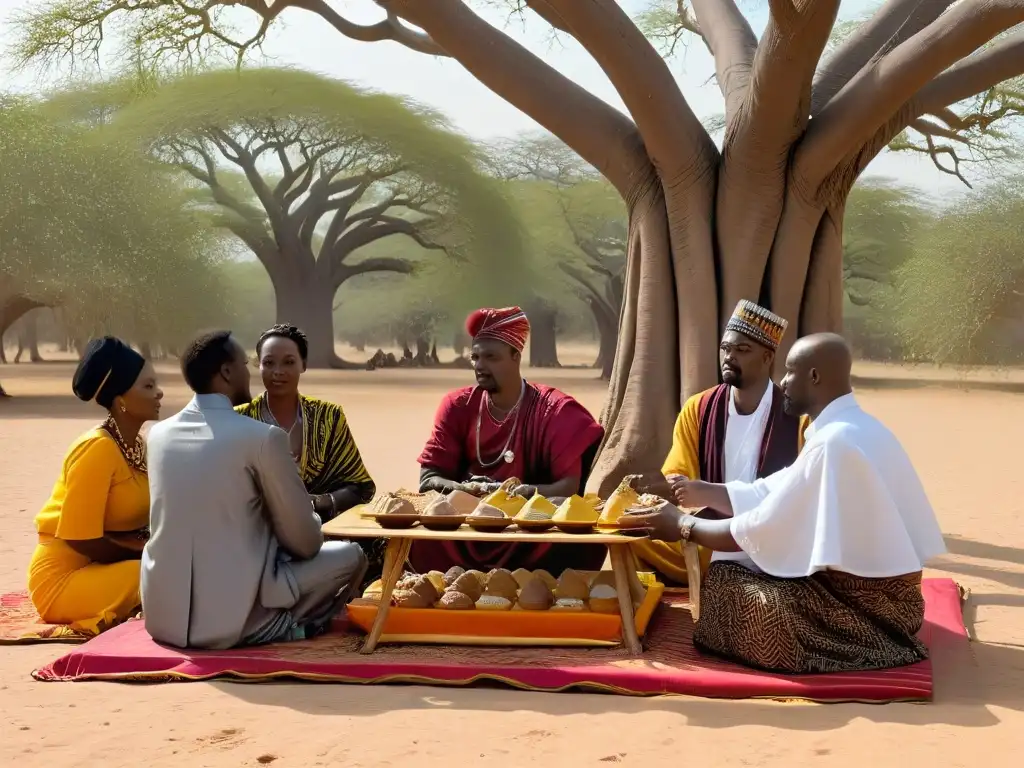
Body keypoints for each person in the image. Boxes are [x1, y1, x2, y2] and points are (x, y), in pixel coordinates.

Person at [621, 333, 946, 674]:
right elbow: (778, 487)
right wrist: (705, 491)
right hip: (900, 603)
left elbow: (766, 526)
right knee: (732, 572)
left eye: (791, 372)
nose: (784, 381)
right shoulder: (854, 426)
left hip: (869, 609)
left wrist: (683, 525)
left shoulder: (831, 441)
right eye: (726, 349)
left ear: (815, 377)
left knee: (726, 586)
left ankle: (865, 643)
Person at [142, 331, 367, 650]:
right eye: (247, 363)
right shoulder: (264, 438)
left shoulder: (157, 436)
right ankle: (279, 625)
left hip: (164, 617)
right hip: (235, 621)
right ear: (227, 372)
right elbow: (305, 543)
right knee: (351, 555)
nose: (252, 373)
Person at [412, 306, 606, 573]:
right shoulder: (457, 405)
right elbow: (428, 479)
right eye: (475, 357)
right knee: (417, 536)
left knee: (579, 538)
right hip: (468, 527)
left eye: (491, 357)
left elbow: (569, 486)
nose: (480, 366)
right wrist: (468, 489)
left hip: (529, 529)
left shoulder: (555, 410)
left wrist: (517, 492)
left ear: (516, 356)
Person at [633, 300, 809, 583]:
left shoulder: (799, 418)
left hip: (771, 538)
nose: (729, 357)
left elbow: (804, 492)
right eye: (725, 348)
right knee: (634, 534)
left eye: (742, 350)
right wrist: (678, 486)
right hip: (707, 535)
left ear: (767, 357)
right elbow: (677, 473)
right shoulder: (698, 407)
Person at [28, 337, 162, 635]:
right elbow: (80, 539)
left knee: (169, 570)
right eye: (148, 386)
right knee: (159, 574)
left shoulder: (136, 445)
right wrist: (145, 552)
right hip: (64, 578)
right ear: (120, 400)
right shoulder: (96, 449)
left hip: (101, 566)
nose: (160, 393)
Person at [235, 325, 375, 522]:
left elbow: (357, 486)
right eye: (269, 363)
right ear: (259, 365)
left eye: (289, 362)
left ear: (303, 365)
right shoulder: (239, 419)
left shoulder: (329, 416)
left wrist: (318, 502)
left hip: (322, 526)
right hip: (255, 528)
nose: (278, 371)